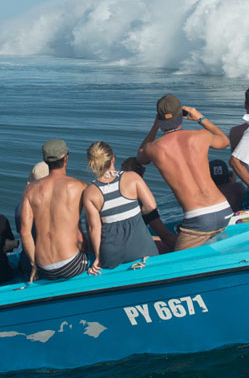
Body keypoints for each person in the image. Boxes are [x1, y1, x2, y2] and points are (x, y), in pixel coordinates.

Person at [137, 94, 232, 251]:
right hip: (223, 209)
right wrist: (201, 118)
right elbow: (224, 141)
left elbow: (141, 157)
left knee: (177, 262)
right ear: (181, 116)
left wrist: (155, 126)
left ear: (159, 119)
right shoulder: (201, 136)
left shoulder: (153, 148)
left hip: (198, 218)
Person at [19, 139, 90, 281]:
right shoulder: (79, 186)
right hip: (72, 264)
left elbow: (25, 232)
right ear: (66, 159)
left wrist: (34, 266)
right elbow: (94, 221)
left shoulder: (30, 190)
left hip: (44, 268)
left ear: (45, 161)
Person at [83, 142, 161, 270]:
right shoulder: (132, 178)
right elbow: (151, 206)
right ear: (113, 158)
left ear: (92, 163)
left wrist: (98, 257)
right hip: (142, 248)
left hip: (112, 255)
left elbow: (94, 228)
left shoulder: (91, 192)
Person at [120, 156, 178, 249]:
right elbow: (164, 235)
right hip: (134, 248)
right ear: (142, 172)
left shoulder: (110, 196)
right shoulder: (143, 202)